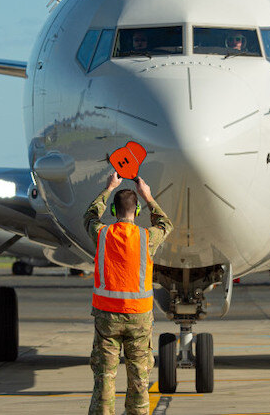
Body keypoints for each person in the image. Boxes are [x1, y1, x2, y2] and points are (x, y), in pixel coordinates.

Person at [83, 172, 174, 415]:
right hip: (139, 317)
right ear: (137, 210)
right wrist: (148, 196)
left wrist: (108, 188)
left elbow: (89, 216)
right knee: (139, 380)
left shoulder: (102, 234)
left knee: (104, 378)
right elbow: (166, 224)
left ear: (113, 210)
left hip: (107, 318)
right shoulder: (147, 237)